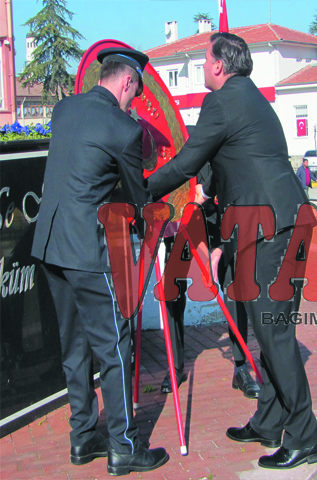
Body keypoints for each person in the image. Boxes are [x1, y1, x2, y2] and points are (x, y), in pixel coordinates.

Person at [146, 32, 317, 469]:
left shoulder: (221, 102)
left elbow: (188, 161)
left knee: (274, 332)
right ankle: (268, 420)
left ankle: (305, 437)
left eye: (205, 61)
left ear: (220, 66)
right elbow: (234, 168)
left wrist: (140, 190)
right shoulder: (252, 99)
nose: (202, 68)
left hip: (274, 227)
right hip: (276, 221)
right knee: (268, 331)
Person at [31, 47, 169, 475]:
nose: (133, 104)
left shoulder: (64, 110)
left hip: (50, 246)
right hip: (88, 252)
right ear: (128, 82)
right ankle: (123, 447)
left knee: (74, 348)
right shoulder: (123, 129)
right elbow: (135, 197)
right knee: (114, 348)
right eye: (135, 95)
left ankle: (82, 437)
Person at [160, 164, 260, 400]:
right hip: (180, 223)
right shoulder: (173, 151)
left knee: (233, 288)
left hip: (216, 222)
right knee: (171, 291)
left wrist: (221, 247)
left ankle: (240, 366)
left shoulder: (214, 145)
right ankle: (176, 366)